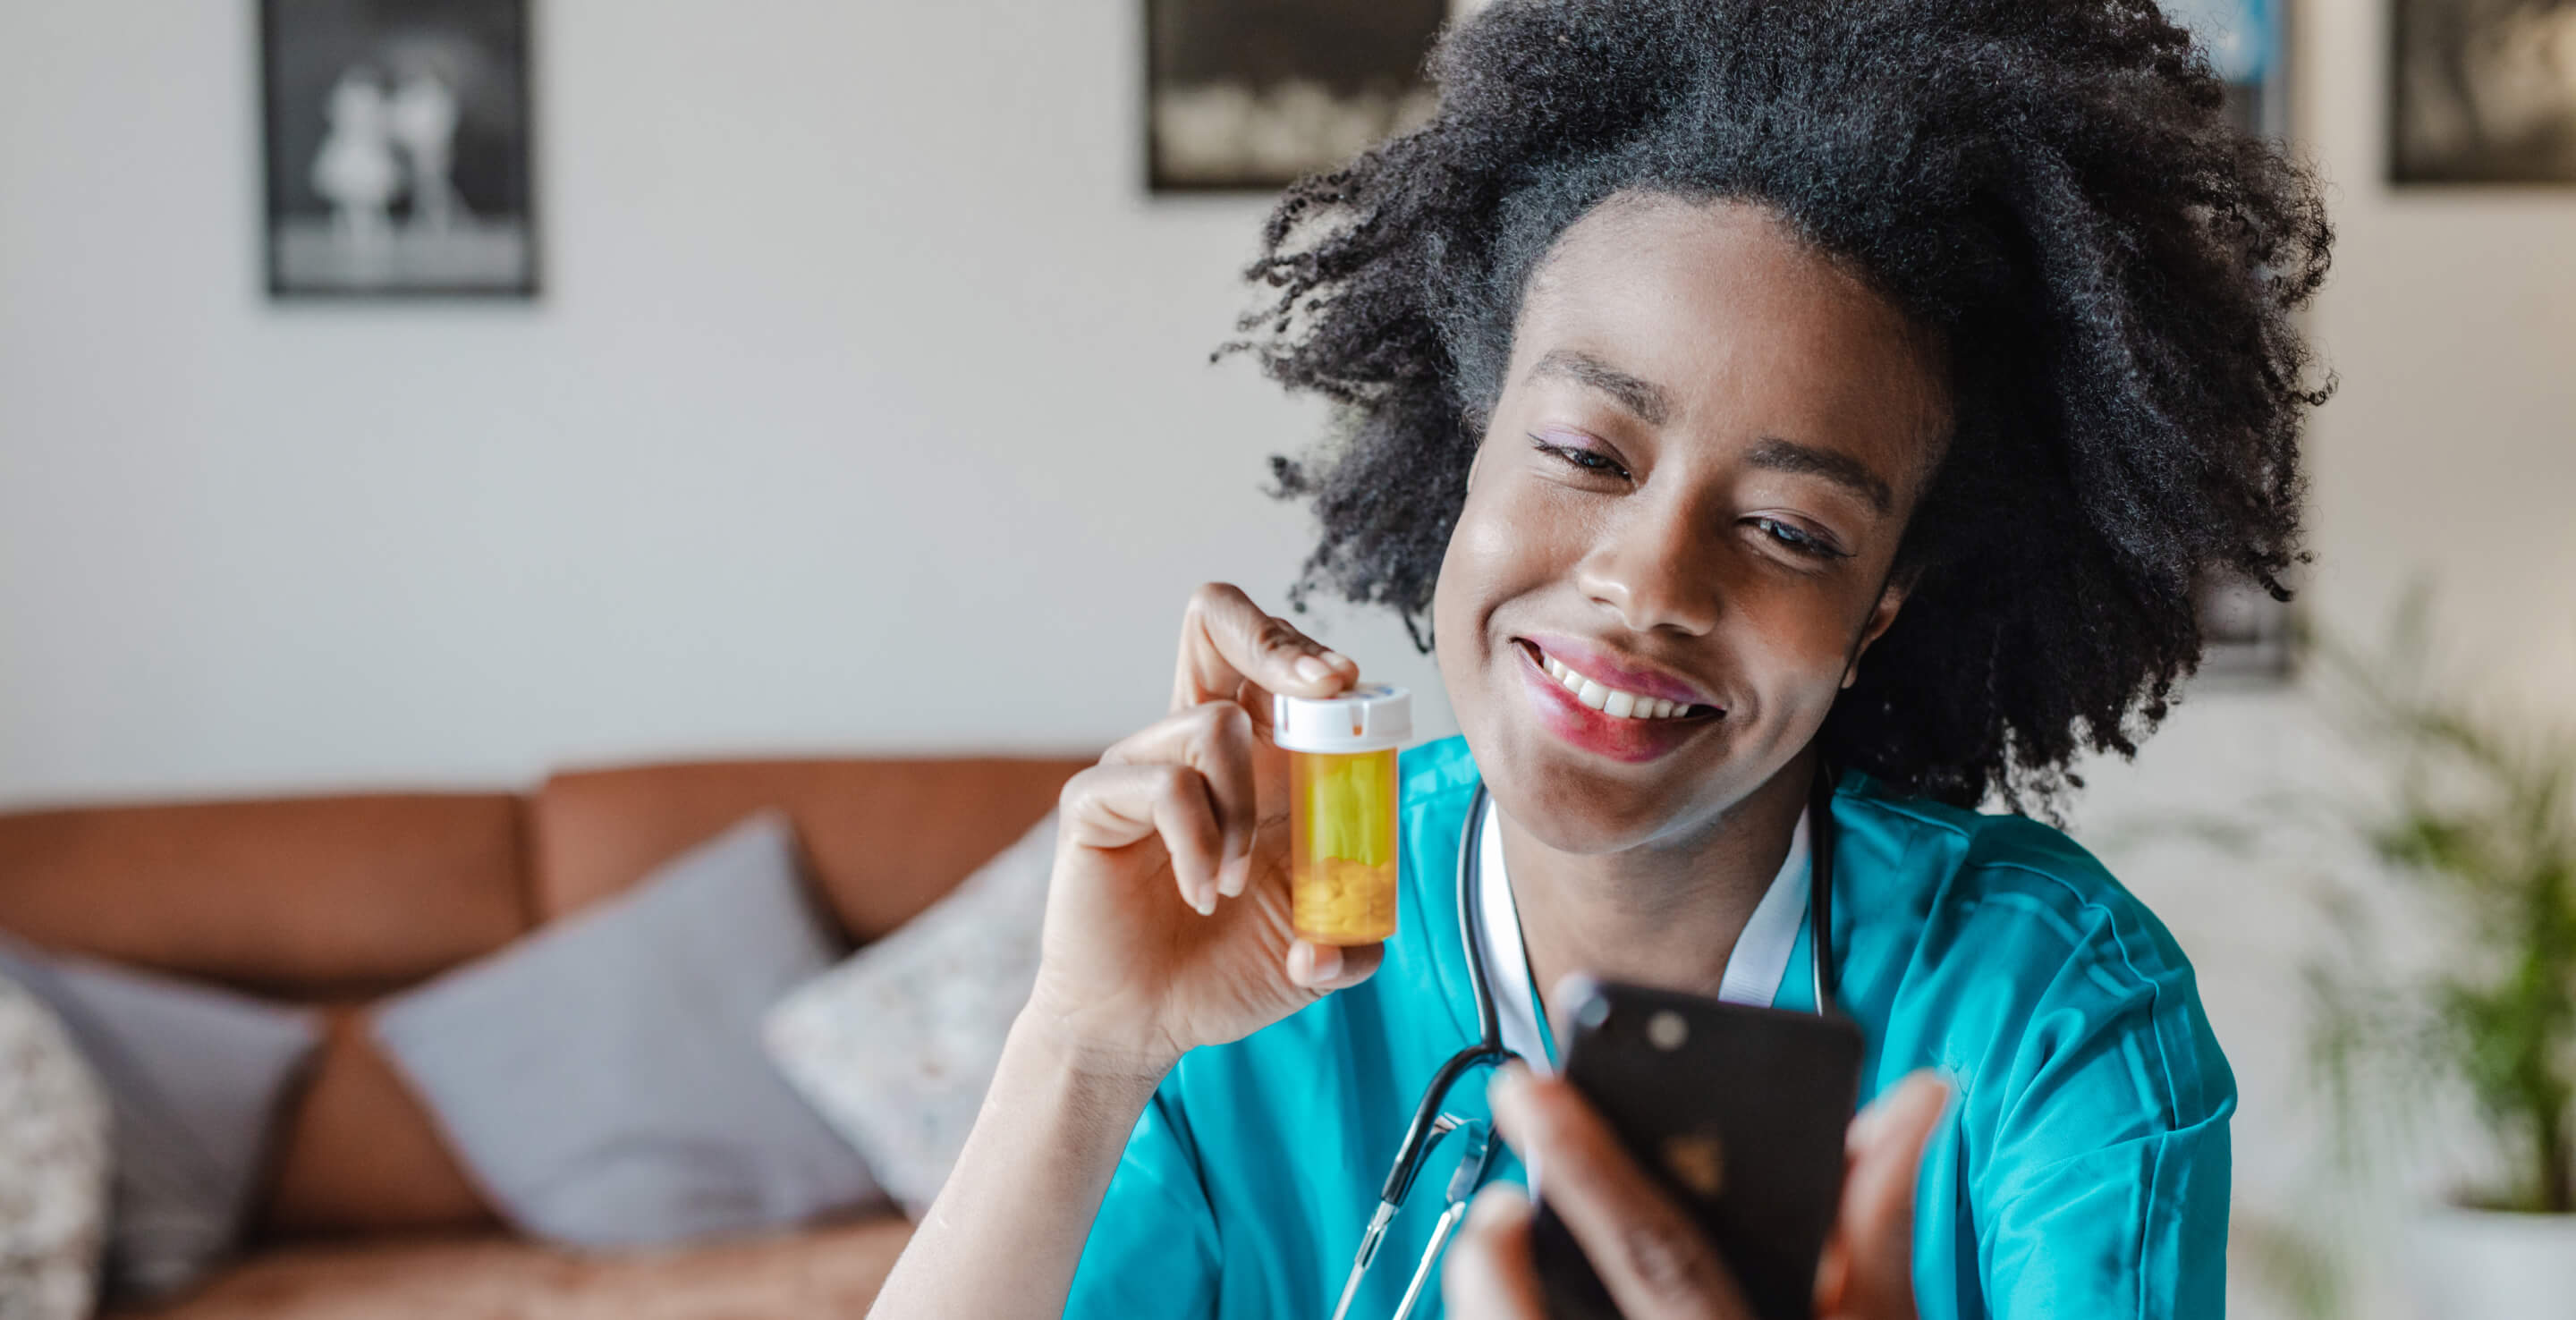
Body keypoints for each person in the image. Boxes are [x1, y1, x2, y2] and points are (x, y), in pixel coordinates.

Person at [870, 0, 2329, 1316]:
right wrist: (1082, 1047)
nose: (1645, 584)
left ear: (1884, 605)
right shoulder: (1260, 935)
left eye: (1790, 529)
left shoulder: (2050, 1008)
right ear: (1469, 445)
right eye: (1581, 452)